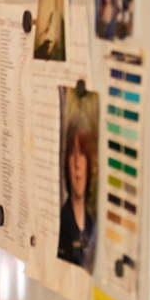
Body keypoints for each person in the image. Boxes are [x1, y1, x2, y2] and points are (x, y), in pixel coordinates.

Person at [57, 116, 96, 271]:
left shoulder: (93, 228)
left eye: (83, 154)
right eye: (73, 153)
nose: (78, 163)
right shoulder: (61, 223)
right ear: (66, 162)